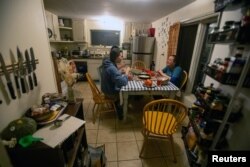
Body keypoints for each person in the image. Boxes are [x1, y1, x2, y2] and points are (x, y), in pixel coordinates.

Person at [101, 46, 132, 120]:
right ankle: (121, 112)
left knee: (124, 88)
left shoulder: (108, 63)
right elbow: (123, 82)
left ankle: (120, 106)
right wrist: (127, 73)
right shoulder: (111, 68)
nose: (122, 58)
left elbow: (113, 75)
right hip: (110, 92)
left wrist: (120, 72)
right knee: (129, 93)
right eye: (121, 56)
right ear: (116, 57)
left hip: (106, 89)